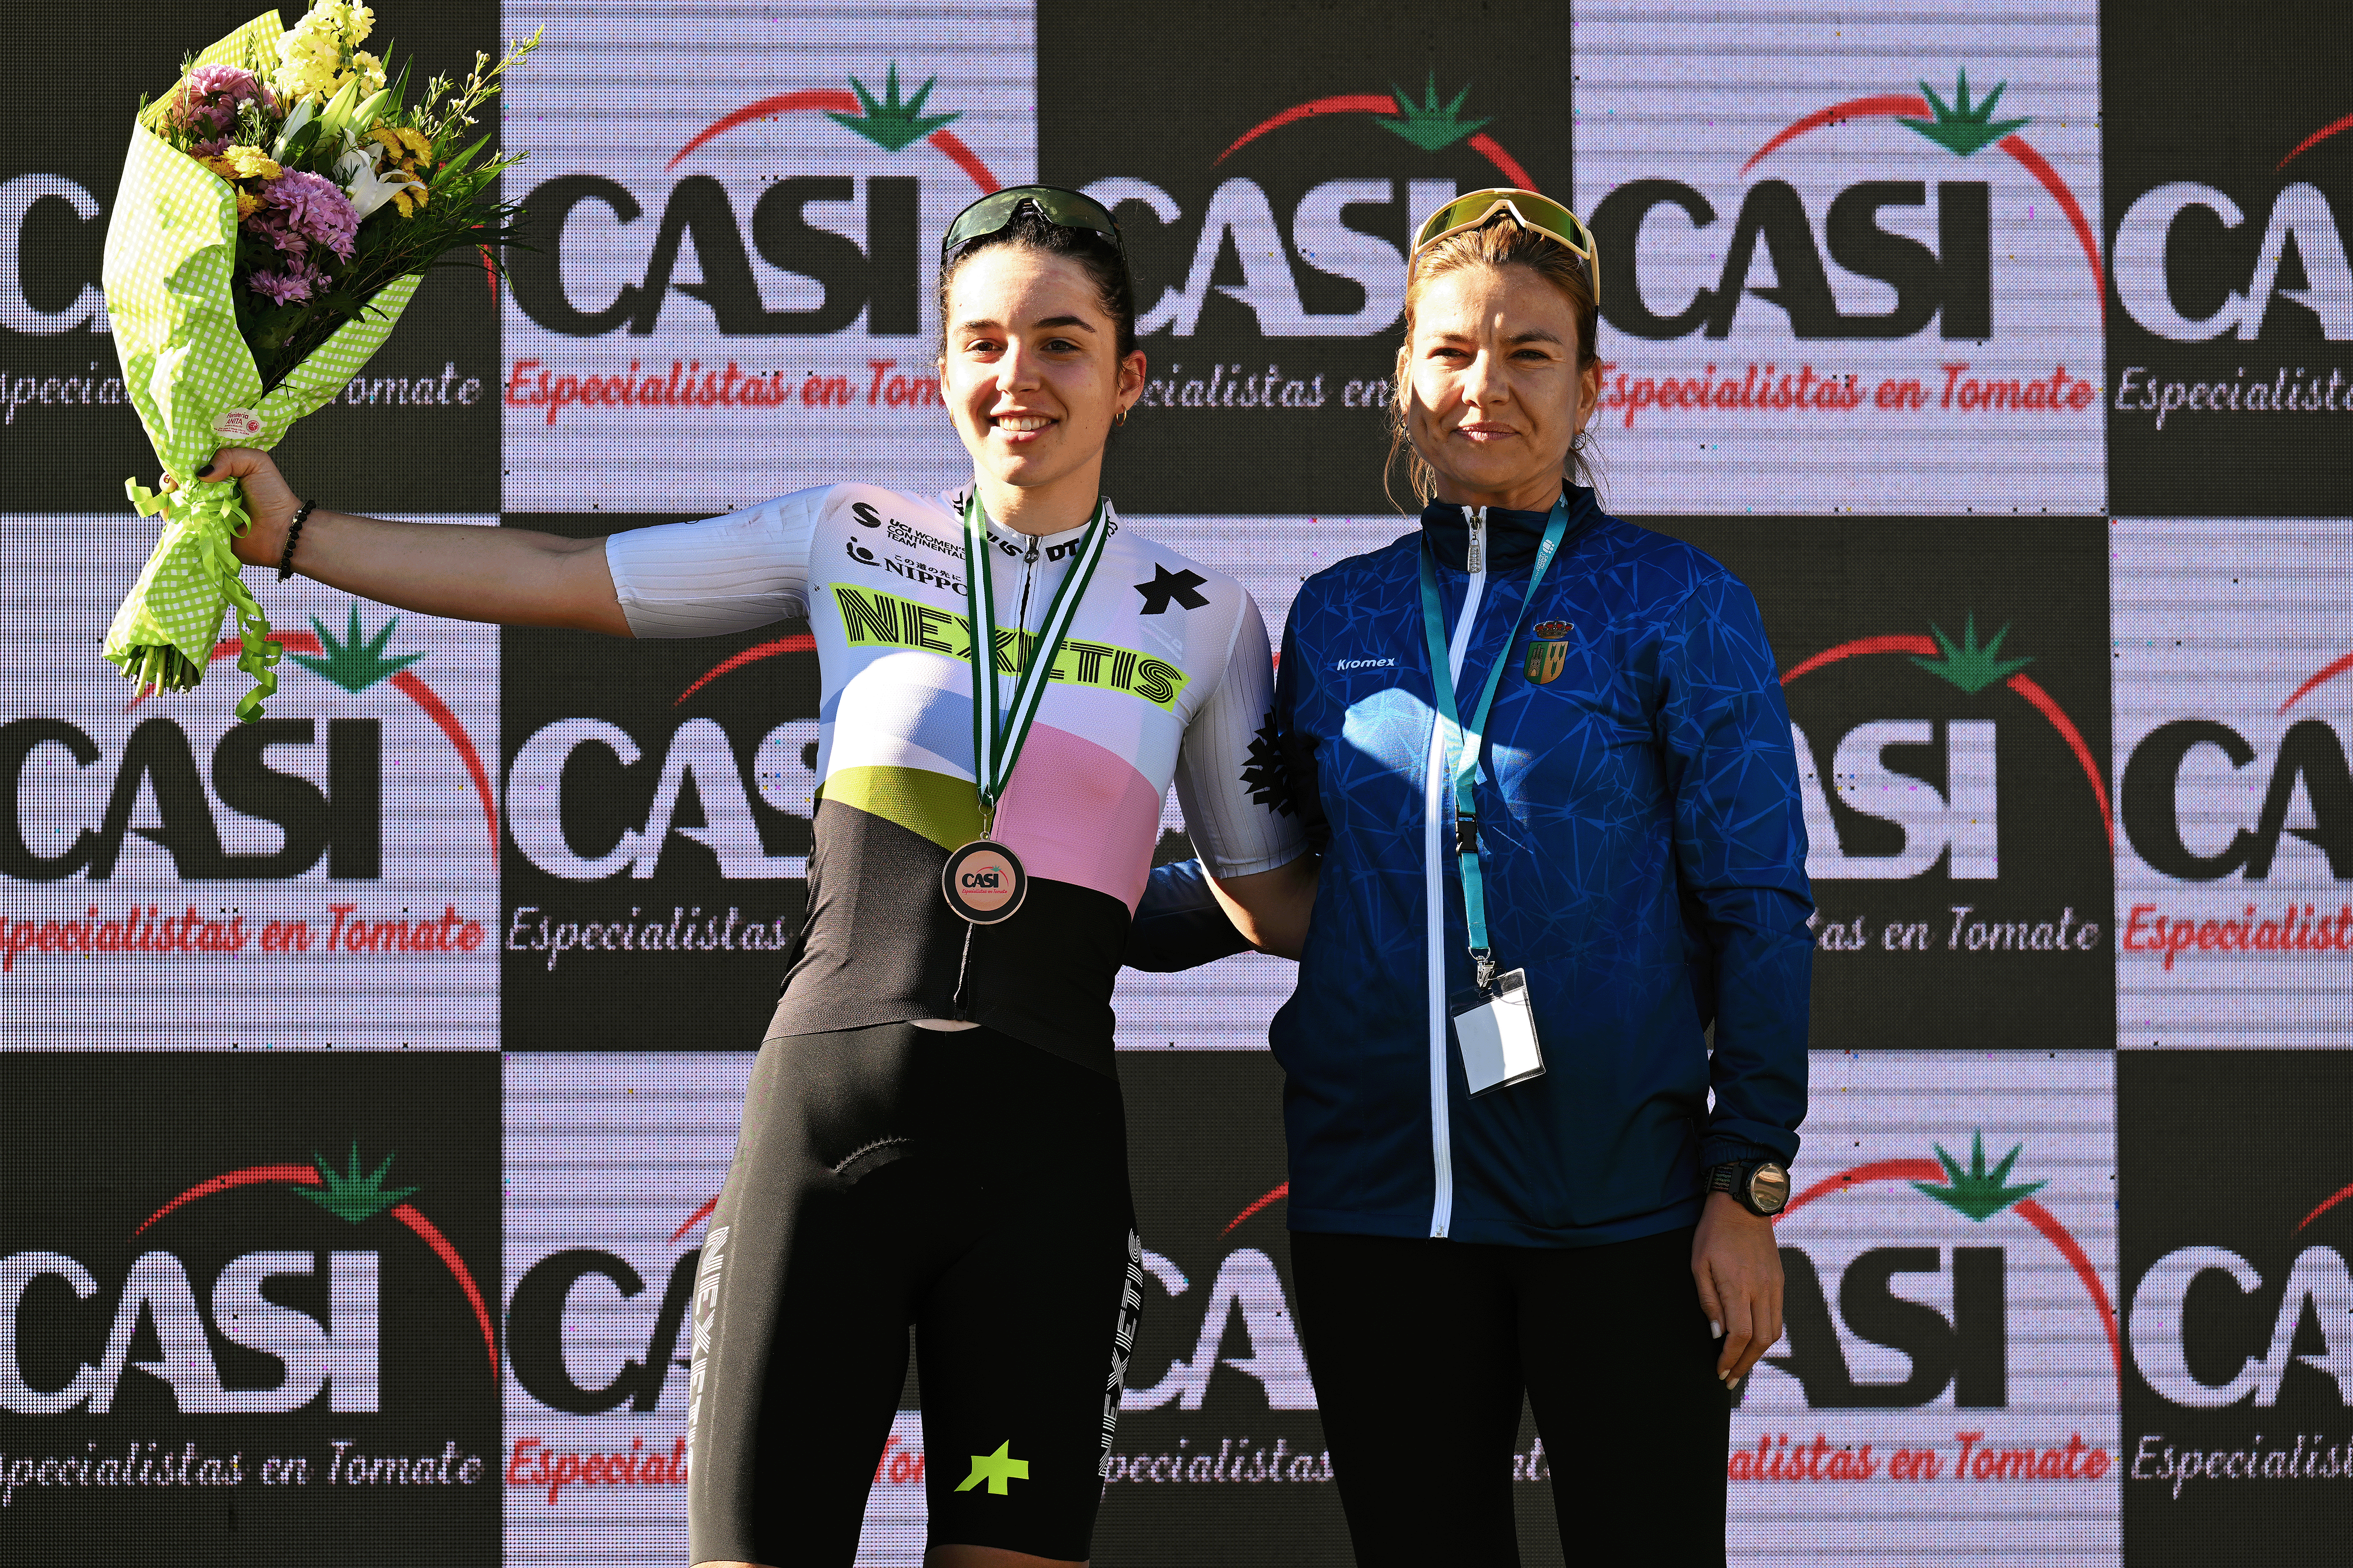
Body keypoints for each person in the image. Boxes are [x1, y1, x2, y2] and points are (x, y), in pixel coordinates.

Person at [189, 188, 1308, 1568]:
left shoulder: (1203, 614)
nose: (1020, 378)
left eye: (1062, 343)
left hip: (1045, 1168)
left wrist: (1514, 881)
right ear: (941, 369)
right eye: (984, 344)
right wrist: (299, 537)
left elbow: (1271, 900)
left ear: (1129, 377)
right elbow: (558, 569)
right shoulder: (849, 533)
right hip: (822, 1137)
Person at [1148, 190, 1814, 1565]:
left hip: (1620, 1211)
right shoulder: (1338, 614)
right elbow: (1276, 881)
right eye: (1450, 351)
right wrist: (1050, 902)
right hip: (1376, 1210)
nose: (1483, 387)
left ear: (1587, 385)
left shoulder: (1677, 600)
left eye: (1526, 354)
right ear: (1402, 376)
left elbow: (1759, 907)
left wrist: (1744, 1185)